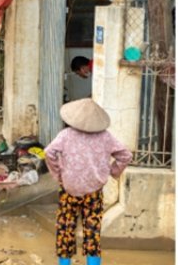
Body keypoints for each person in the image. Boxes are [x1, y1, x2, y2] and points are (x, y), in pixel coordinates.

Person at [44, 98, 132, 265]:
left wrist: (58, 174)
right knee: (92, 231)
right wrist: (113, 172)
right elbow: (126, 156)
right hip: (94, 191)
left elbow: (49, 153)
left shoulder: (66, 135)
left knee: (65, 228)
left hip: (69, 189)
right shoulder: (106, 137)